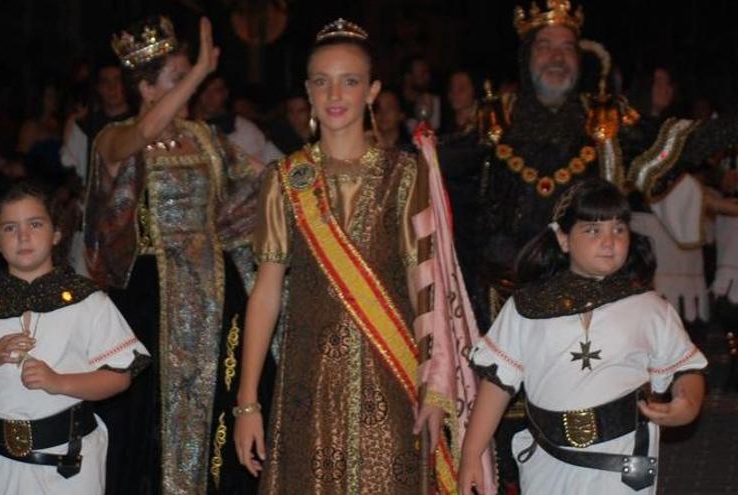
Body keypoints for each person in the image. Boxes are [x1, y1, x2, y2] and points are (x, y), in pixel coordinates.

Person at [234, 18, 480, 494]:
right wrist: (248, 403)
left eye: (350, 81)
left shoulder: (403, 174)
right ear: (308, 90)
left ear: (372, 91)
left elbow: (424, 285)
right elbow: (265, 293)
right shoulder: (285, 179)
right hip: (308, 383)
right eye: (322, 82)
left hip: (391, 372)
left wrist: (434, 383)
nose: (335, 94)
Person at [85, 16, 270, 495]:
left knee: (221, 404)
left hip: (214, 294)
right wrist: (202, 68)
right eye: (178, 78)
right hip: (150, 300)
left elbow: (261, 183)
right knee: (148, 418)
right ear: (146, 88)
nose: (193, 87)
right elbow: (140, 135)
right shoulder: (113, 138)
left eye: (193, 76)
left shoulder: (205, 139)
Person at [459, 179, 708, 495]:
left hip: (622, 461)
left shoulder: (648, 307)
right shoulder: (527, 306)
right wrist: (471, 454)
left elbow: (685, 368)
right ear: (563, 239)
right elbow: (498, 384)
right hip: (548, 463)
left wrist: (688, 402)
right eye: (593, 230)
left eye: (619, 229)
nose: (609, 242)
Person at [0, 181, 149, 495]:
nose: (23, 236)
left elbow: (119, 377)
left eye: (35, 224)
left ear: (56, 233)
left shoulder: (88, 301)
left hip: (68, 463)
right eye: (9, 228)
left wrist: (58, 382)